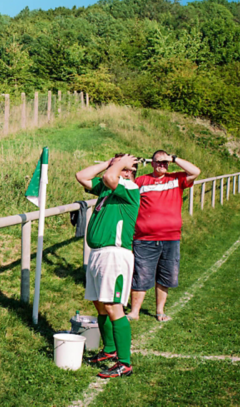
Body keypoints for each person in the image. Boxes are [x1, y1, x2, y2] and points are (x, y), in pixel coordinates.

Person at [75, 153, 140, 378]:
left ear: (130, 173)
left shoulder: (130, 188)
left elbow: (112, 177)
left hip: (115, 254)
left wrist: (119, 166)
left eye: (125, 169)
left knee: (113, 306)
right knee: (100, 305)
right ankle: (109, 350)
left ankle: (125, 363)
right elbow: (81, 176)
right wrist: (109, 163)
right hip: (98, 253)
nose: (119, 171)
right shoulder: (106, 187)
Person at [127, 151, 200, 322]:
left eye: (165, 163)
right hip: (144, 239)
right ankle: (134, 311)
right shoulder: (142, 181)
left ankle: (160, 310)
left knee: (165, 276)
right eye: (159, 162)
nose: (162, 165)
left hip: (170, 238)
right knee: (141, 275)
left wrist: (174, 158)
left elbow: (195, 172)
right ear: (152, 163)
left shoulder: (176, 179)